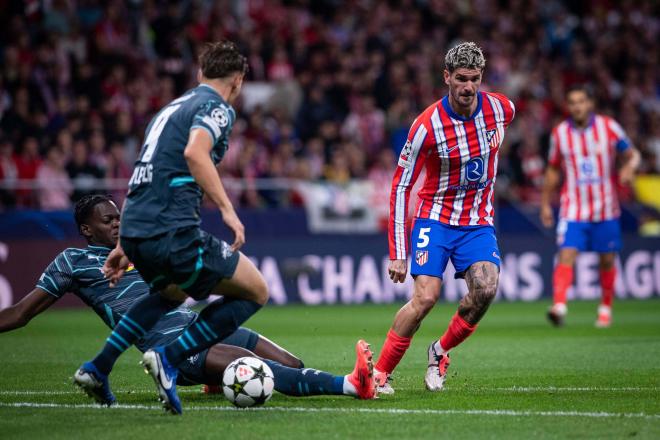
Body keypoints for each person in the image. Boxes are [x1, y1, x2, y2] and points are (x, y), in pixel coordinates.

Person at [74, 41, 375, 414]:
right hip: (174, 228)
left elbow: (143, 173)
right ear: (238, 81)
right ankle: (170, 358)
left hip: (141, 225)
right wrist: (229, 211)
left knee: (169, 294)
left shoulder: (170, 109)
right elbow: (195, 153)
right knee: (255, 290)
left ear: (201, 73)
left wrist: (125, 242)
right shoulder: (216, 106)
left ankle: (98, 367)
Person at [0, 195, 375, 403]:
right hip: (170, 344)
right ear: (86, 228)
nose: (117, 223)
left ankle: (216, 380)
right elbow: (19, 313)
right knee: (257, 369)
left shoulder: (138, 248)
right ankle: (351, 384)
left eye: (118, 217)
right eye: (107, 220)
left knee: (291, 362)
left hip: (198, 325)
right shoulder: (72, 262)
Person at [373, 42, 515, 394]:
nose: (469, 87)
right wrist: (398, 251)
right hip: (434, 218)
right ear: (447, 77)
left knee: (486, 290)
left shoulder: (501, 109)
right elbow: (400, 185)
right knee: (425, 298)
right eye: (462, 79)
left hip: (477, 222)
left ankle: (439, 352)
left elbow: (504, 123)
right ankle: (380, 374)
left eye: (475, 79)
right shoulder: (426, 126)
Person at [540, 85, 640, 328]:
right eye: (572, 102)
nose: (577, 106)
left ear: (590, 104)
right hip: (573, 208)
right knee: (566, 252)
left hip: (605, 208)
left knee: (607, 260)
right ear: (568, 106)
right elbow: (553, 169)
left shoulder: (609, 127)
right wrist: (544, 203)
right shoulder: (560, 133)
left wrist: (629, 168)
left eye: (581, 101)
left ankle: (605, 308)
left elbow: (633, 154)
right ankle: (559, 305)